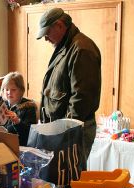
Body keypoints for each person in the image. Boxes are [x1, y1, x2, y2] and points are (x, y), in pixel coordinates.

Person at [37, 7, 101, 163]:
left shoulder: (81, 49)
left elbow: (81, 99)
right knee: (61, 177)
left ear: (59, 25)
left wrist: (64, 132)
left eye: (47, 33)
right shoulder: (65, 45)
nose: (46, 39)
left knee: (71, 179)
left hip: (72, 130)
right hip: (62, 128)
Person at [2, 71, 37, 146]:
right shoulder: (1, 105)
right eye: (7, 89)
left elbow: (31, 133)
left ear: (21, 90)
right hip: (2, 143)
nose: (9, 92)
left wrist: (18, 122)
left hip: (19, 146)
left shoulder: (29, 106)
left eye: (13, 90)